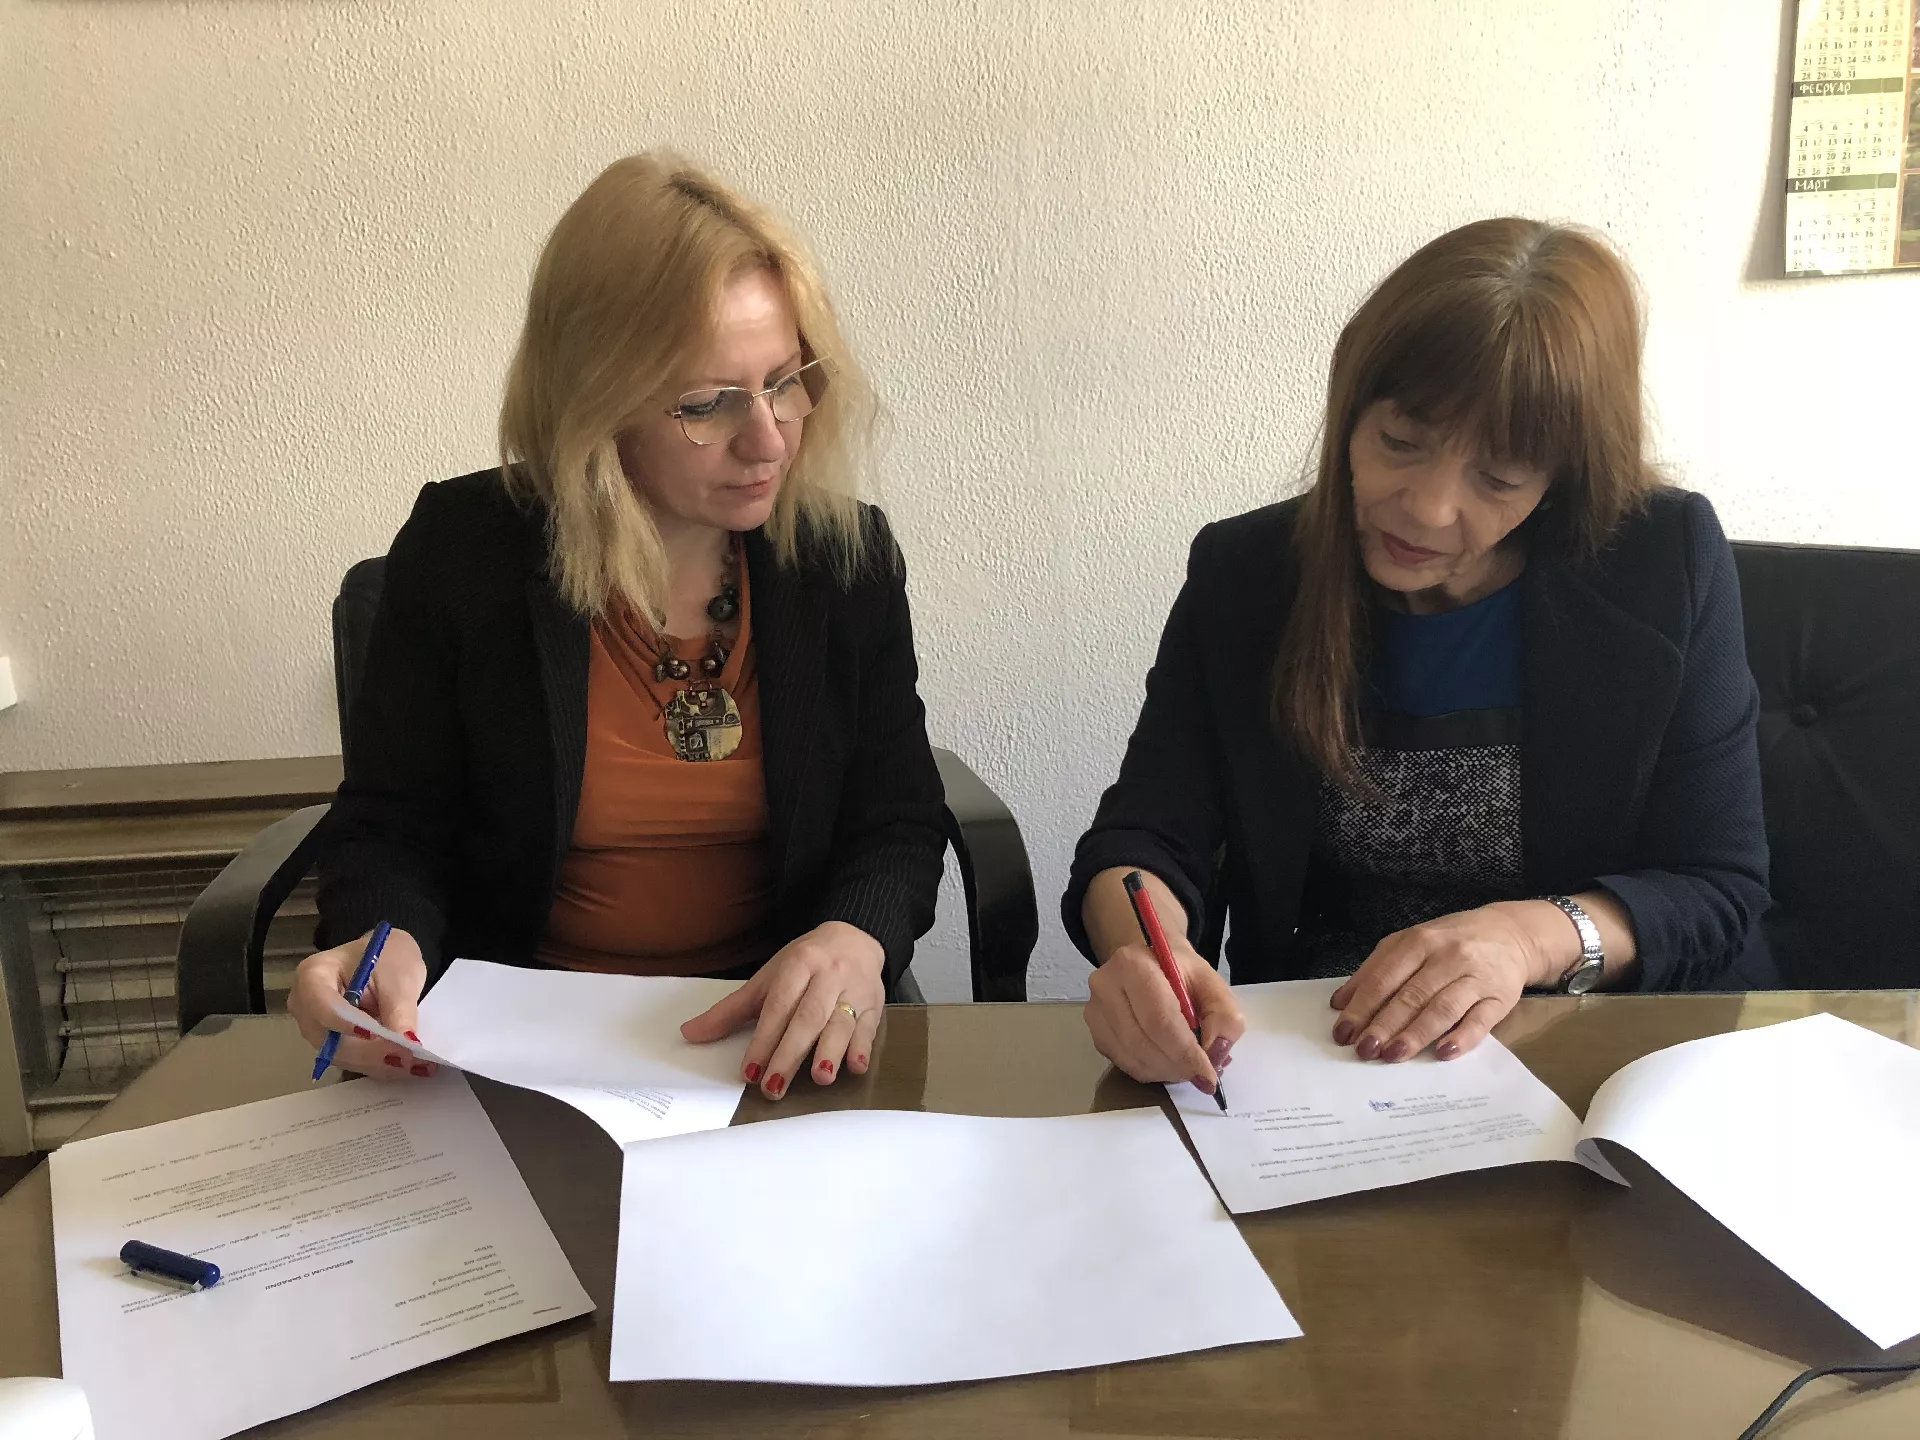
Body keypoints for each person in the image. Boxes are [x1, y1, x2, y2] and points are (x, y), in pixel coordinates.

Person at [288, 153, 947, 1100]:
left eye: (786, 381)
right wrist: (380, 939)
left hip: (767, 1038)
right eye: (708, 404)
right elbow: (391, 826)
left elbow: (896, 818)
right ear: (595, 398)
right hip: (520, 1042)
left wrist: (859, 935)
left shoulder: (845, 562)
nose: (768, 438)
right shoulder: (464, 551)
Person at [1066, 218, 1770, 1091]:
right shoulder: (1246, 574)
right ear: (1350, 410)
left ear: (1562, 476)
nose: (1429, 508)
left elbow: (1717, 885)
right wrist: (1148, 954)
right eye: (1400, 442)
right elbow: (1144, 832)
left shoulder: (1662, 562)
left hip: (1575, 1049)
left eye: (1499, 477)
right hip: (1314, 1055)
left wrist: (1526, 937)